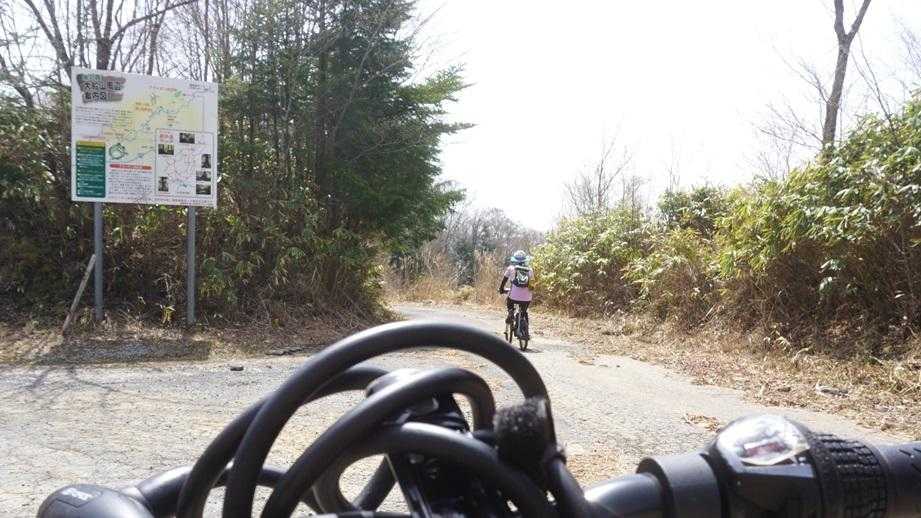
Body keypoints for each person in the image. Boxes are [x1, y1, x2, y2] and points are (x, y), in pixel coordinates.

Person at [498, 250, 533, 339]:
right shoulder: (530, 270)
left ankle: (510, 312)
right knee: (524, 312)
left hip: (513, 296)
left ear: (514, 260)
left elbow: (504, 281)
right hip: (527, 298)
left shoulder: (510, 268)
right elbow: (532, 285)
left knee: (510, 301)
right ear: (525, 260)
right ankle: (525, 332)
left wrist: (501, 289)